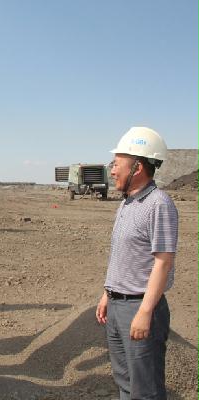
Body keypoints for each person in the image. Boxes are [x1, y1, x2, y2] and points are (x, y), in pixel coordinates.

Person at [96, 127, 178, 400]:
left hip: (140, 308)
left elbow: (163, 263)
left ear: (138, 167)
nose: (112, 171)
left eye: (116, 164)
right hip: (118, 305)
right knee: (126, 383)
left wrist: (145, 311)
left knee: (146, 391)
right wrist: (107, 293)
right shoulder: (127, 203)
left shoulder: (159, 204)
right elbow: (122, 254)